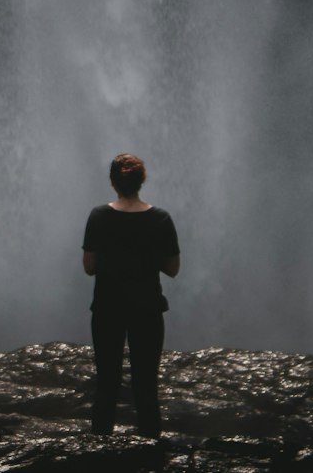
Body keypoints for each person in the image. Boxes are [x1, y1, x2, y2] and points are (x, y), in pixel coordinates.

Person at [82, 152, 181, 438]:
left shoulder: (99, 216)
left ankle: (99, 458)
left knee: (106, 385)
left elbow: (89, 267)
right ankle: (151, 458)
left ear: (112, 182)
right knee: (146, 386)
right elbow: (173, 268)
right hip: (147, 309)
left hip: (107, 308)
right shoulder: (161, 218)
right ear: (142, 181)